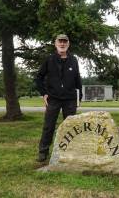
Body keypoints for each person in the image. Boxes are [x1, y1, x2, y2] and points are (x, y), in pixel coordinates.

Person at [35, 34, 82, 162]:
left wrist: (79, 98)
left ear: (68, 44)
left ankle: (70, 151)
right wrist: (44, 93)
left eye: (64, 42)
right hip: (53, 98)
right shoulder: (49, 59)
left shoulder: (73, 60)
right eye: (60, 42)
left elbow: (77, 79)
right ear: (55, 44)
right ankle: (43, 152)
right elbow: (38, 77)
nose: (62, 44)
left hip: (70, 99)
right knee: (48, 126)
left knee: (71, 126)